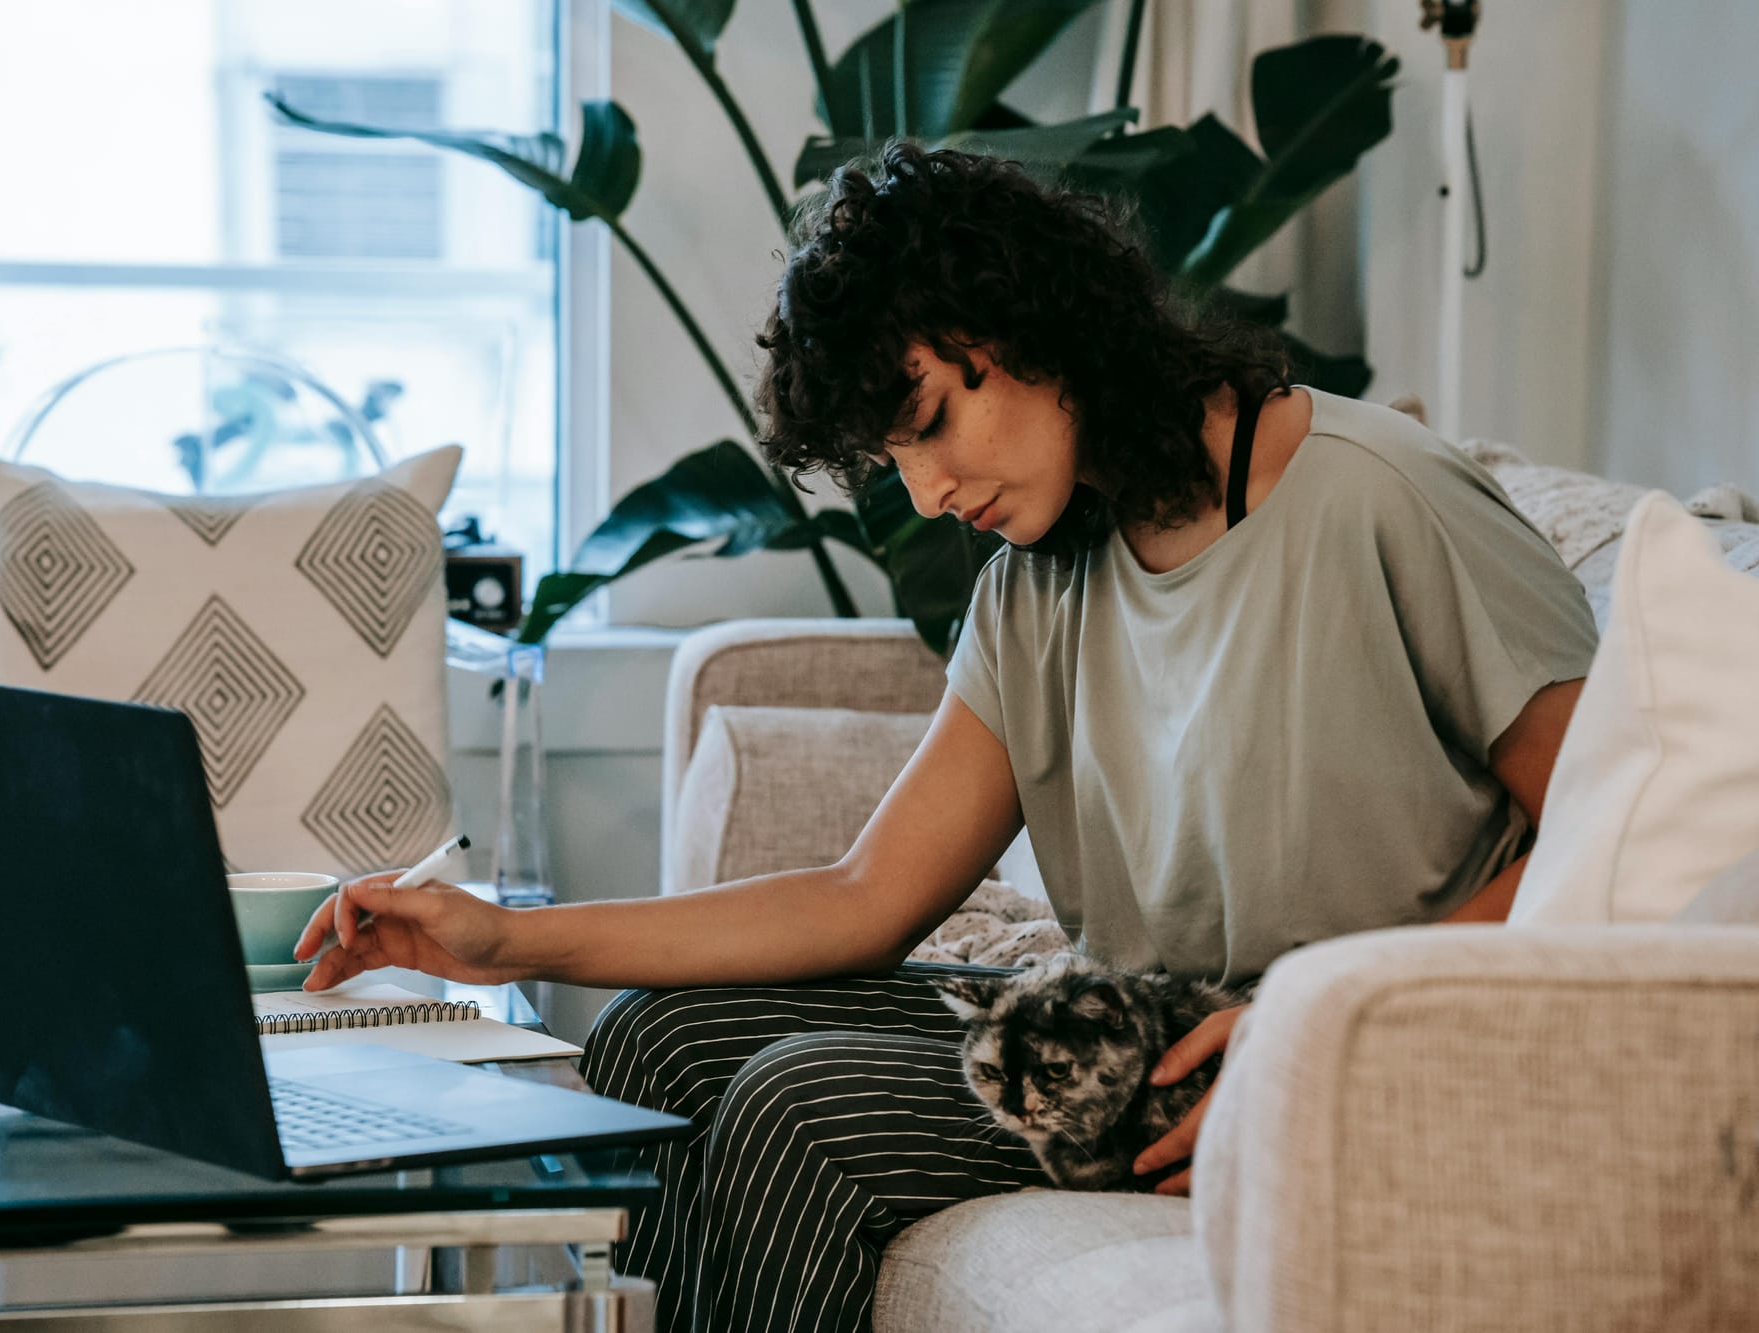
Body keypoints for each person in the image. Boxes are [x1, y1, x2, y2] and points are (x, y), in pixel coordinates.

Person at [293, 143, 1597, 1333]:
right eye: (893, 459)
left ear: (1034, 329)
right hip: (1128, 1024)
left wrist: (1327, 1013)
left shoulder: (1381, 496)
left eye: (929, 427)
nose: (927, 494)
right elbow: (866, 894)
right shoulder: (1041, 578)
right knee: (654, 1042)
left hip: (1333, 1041)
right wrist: (501, 936)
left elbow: (1611, 833)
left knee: (800, 1116)